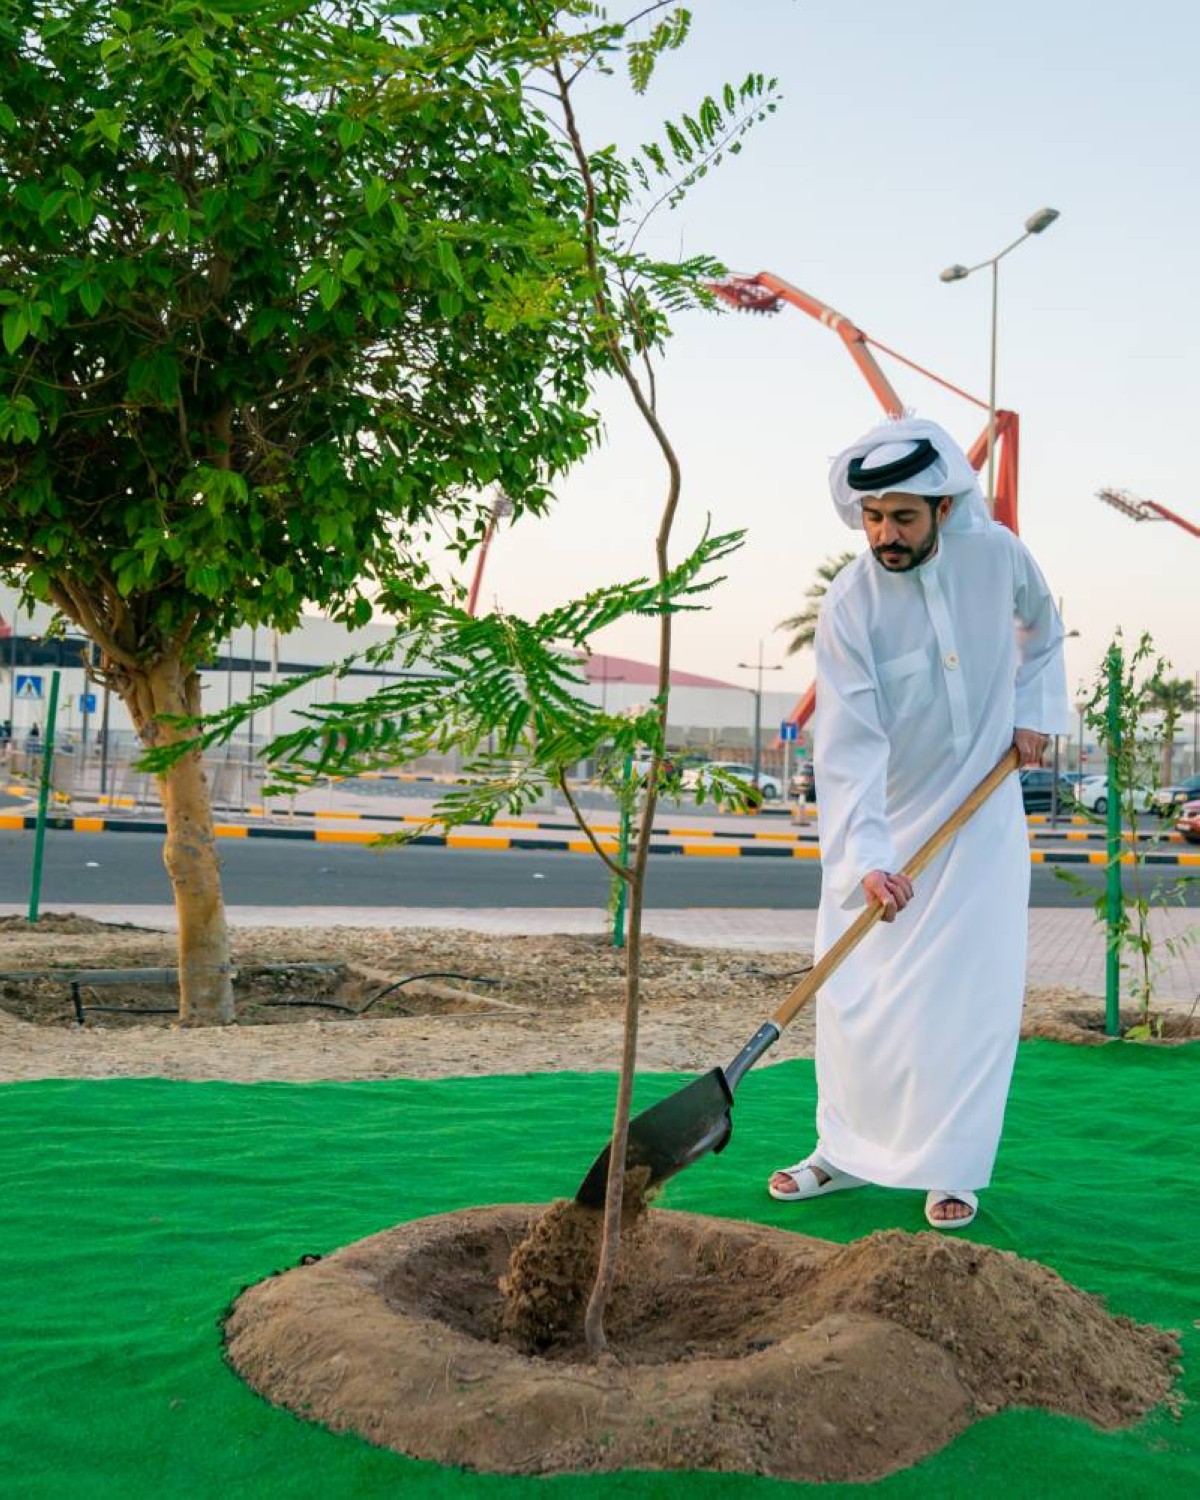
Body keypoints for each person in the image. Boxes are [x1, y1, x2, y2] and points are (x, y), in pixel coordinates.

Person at [768, 416, 1069, 1230]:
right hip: (890, 826)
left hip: (981, 819)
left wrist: (1036, 713)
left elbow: (1044, 628)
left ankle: (952, 1166)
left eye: (902, 518)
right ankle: (841, 1152)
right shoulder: (850, 602)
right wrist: (868, 858)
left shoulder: (998, 556)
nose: (885, 536)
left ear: (942, 507)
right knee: (859, 992)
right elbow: (849, 745)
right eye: (872, 519)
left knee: (968, 1000)